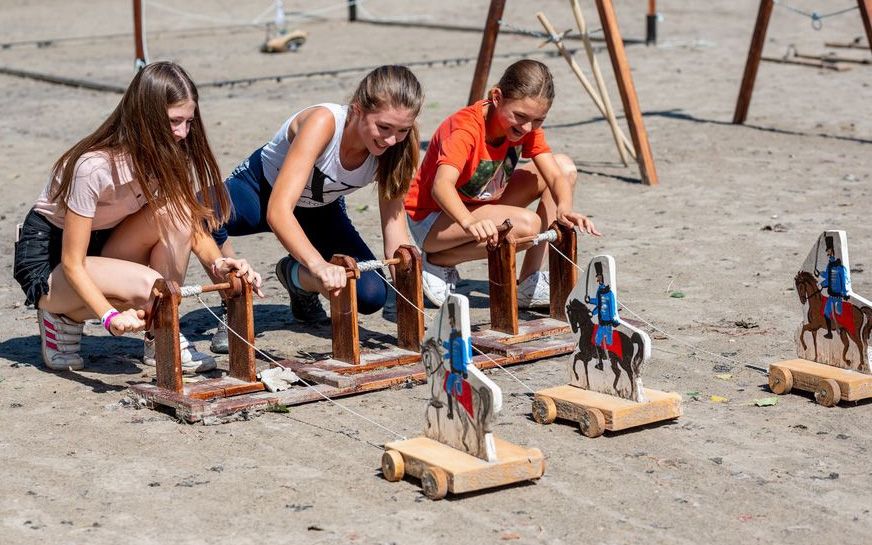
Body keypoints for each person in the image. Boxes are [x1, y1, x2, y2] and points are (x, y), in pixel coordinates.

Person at [12, 62, 262, 372]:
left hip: (104, 247)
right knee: (150, 287)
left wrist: (219, 264)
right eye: (174, 121)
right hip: (54, 261)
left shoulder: (170, 152)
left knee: (178, 213)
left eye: (189, 121)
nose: (183, 133)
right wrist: (109, 316)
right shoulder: (94, 167)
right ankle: (62, 316)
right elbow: (74, 263)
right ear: (146, 116)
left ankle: (158, 336)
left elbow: (192, 228)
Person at [208, 65, 423, 352]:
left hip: (320, 208)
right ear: (358, 109)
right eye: (383, 127)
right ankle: (232, 301)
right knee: (199, 215)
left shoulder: (398, 148)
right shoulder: (324, 122)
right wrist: (318, 264)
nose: (390, 140)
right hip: (261, 192)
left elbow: (395, 232)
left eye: (402, 130)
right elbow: (278, 211)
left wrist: (412, 301)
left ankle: (294, 277)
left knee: (370, 295)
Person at [404, 59, 601, 307]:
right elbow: (441, 186)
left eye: (538, 120)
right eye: (520, 116)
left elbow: (555, 175)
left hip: (482, 202)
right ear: (497, 97)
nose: (528, 127)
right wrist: (469, 222)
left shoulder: (525, 127)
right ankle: (439, 259)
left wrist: (565, 209)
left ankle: (528, 281)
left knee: (564, 165)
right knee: (528, 226)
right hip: (433, 220)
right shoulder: (465, 128)